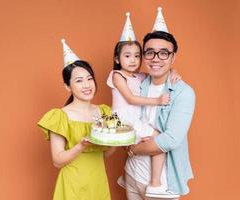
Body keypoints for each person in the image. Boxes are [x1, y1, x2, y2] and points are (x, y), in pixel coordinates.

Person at [107, 12, 180, 199]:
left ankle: (127, 176)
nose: (133, 60)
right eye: (127, 55)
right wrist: (157, 101)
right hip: (124, 118)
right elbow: (130, 99)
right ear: (117, 59)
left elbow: (159, 72)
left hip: (135, 118)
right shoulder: (117, 75)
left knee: (140, 142)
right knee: (158, 139)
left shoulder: (140, 76)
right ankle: (155, 183)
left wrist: (174, 71)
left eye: (137, 56)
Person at [38, 40, 114, 200]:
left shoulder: (105, 112)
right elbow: (57, 161)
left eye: (89, 79)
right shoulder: (60, 116)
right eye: (79, 81)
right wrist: (81, 145)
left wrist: (123, 140)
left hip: (98, 182)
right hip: (73, 184)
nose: (87, 85)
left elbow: (106, 153)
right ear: (68, 87)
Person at [124, 31, 195, 199]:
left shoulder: (183, 92)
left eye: (164, 53)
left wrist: (134, 149)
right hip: (132, 174)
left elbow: (171, 139)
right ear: (143, 56)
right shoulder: (137, 83)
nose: (156, 58)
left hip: (161, 186)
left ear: (173, 57)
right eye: (150, 53)